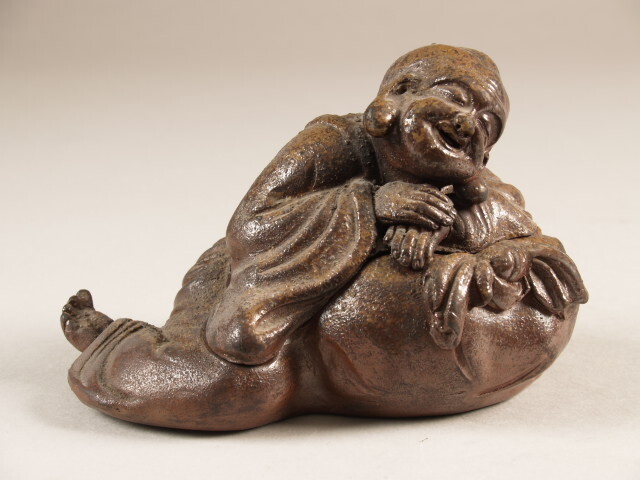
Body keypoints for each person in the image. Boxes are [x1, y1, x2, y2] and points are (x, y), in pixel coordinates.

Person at [61, 45, 587, 430]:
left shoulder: (467, 184)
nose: (469, 123)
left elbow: (522, 234)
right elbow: (250, 225)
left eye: (489, 124)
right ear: (397, 94)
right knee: (231, 386)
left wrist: (445, 225)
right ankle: (111, 342)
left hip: (335, 326)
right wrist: (371, 206)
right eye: (456, 99)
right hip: (260, 281)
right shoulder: (334, 141)